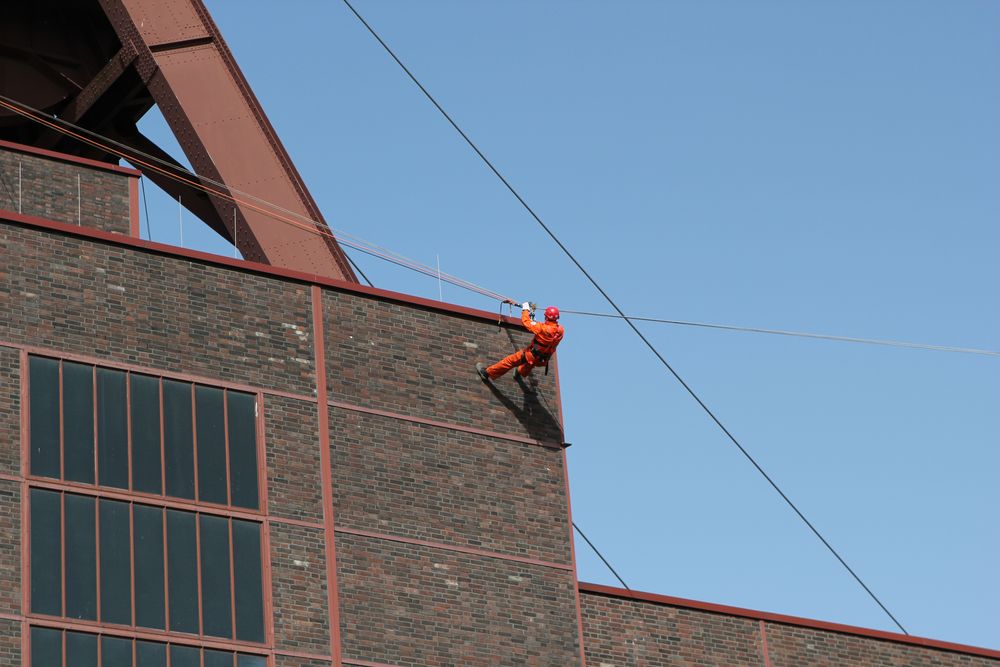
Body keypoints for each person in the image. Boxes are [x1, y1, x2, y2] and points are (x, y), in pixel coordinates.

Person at [477, 302, 564, 381]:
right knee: (531, 362)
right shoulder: (561, 330)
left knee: (510, 361)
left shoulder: (542, 328)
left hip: (531, 355)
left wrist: (525, 309)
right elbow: (548, 330)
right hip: (543, 359)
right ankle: (520, 372)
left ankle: (487, 373)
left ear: (546, 316)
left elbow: (526, 322)